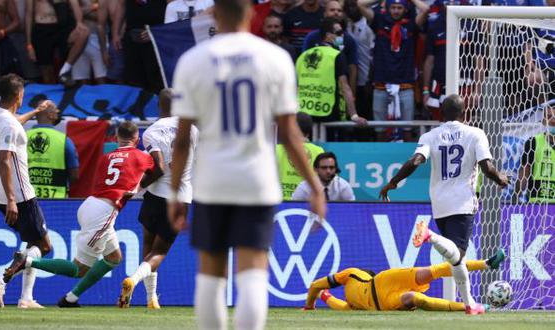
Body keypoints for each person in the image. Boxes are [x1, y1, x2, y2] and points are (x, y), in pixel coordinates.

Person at [168, 0, 327, 328]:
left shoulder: (193, 61)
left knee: (211, 272)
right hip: (256, 179)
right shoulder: (275, 58)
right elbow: (290, 133)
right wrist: (314, 186)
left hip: (212, 180)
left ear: (213, 13)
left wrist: (174, 193)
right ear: (253, 13)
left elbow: (182, 139)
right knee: (253, 269)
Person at [379, 94, 510, 315]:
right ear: (464, 111)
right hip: (462, 201)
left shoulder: (431, 136)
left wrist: (393, 182)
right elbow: (487, 167)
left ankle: (470, 305)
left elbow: (416, 161)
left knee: (456, 259)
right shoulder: (475, 134)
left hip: (439, 203)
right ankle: (429, 235)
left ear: (441, 112)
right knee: (457, 254)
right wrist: (501, 180)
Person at [3, 121, 156, 307]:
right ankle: (27, 261)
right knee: (79, 269)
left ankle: (71, 298)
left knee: (114, 258)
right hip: (104, 213)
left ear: (116, 137)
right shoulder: (141, 156)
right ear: (137, 138)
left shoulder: (106, 157)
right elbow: (160, 169)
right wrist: (139, 186)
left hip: (89, 204)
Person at [118, 89, 198, 309]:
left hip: (154, 196)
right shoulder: (192, 131)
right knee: (160, 251)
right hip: (180, 197)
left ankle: (151, 299)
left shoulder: (151, 132)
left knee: (148, 245)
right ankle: (134, 281)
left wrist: (137, 188)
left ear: (159, 106)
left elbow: (158, 169)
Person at [0, 74, 54, 308]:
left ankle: (25, 298)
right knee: (44, 247)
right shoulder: (9, 124)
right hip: (20, 194)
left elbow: (13, 125)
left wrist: (35, 112)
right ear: (18, 96)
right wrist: (13, 200)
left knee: (31, 245)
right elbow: (5, 160)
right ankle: (0, 281)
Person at [303, 250, 506, 311]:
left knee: (423, 286)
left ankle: (485, 266)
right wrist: (322, 297)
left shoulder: (352, 275)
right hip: (384, 291)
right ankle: (471, 302)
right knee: (425, 284)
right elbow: (330, 299)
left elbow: (316, 286)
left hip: (382, 291)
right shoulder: (353, 283)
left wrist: (315, 301)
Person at [358, 0, 429, 141]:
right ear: (388, 8)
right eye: (393, 7)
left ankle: (407, 160)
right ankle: (381, 159)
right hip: (381, 84)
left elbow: (426, 9)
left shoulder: (410, 24)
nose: (396, 11)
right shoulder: (379, 20)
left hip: (405, 85)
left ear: (405, 9)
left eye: (399, 7)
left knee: (407, 129)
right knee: (380, 130)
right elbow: (360, 4)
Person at [296, 17, 367, 126]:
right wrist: (354, 115)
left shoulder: (303, 56)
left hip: (305, 112)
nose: (342, 36)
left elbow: (295, 87)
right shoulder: (336, 55)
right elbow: (345, 87)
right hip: (329, 113)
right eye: (339, 33)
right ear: (328, 35)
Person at [25, 0, 90, 85]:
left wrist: (79, 22)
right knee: (47, 74)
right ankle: (50, 96)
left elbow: (75, 4)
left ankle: (65, 70)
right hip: (42, 28)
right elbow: (28, 14)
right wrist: (29, 45)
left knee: (83, 32)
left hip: (60, 27)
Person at [302, 0, 359, 94]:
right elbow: (304, 63)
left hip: (339, 88)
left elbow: (352, 67)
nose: (336, 12)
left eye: (339, 10)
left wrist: (352, 93)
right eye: (332, 10)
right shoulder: (312, 37)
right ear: (324, 13)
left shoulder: (349, 39)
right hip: (314, 87)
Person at [27, 100, 79, 198]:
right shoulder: (64, 140)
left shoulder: (23, 137)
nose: (58, 111)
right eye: (55, 109)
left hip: (26, 199)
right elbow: (74, 175)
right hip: (57, 200)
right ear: (50, 115)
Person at [114, 0, 166, 93]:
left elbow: (171, 7)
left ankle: (157, 105)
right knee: (133, 77)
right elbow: (120, 6)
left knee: (155, 77)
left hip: (156, 37)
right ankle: (136, 105)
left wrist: (158, 32)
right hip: (132, 35)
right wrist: (115, 33)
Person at [277, 112, 324, 200]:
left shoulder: (276, 149)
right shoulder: (319, 151)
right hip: (306, 201)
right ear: (309, 131)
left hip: (281, 202)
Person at [514, 106, 555, 203]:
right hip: (537, 204)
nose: (553, 121)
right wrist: (515, 199)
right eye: (549, 117)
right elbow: (524, 174)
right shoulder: (533, 142)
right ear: (543, 121)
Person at [72, 0, 107, 84]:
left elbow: (101, 17)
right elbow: (72, 13)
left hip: (98, 38)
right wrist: (94, 7)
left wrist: (81, 11)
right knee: (82, 79)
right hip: (79, 38)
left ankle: (104, 96)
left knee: (101, 77)